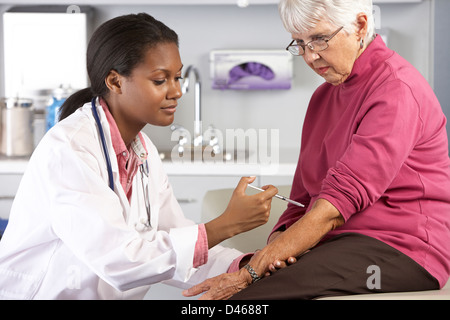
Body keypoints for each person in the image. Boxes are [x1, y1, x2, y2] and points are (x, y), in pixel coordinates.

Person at [183, 0, 450, 300]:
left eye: (320, 39)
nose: (310, 56)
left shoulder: (396, 89)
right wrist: (280, 244)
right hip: (336, 244)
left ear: (360, 26)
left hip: (401, 248)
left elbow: (334, 208)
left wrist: (251, 274)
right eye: (300, 43)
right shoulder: (322, 98)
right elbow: (301, 198)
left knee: (247, 295)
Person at [0, 13, 278, 299]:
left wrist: (246, 265)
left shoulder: (141, 150)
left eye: (178, 77)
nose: (177, 91)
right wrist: (227, 223)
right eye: (160, 80)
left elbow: (174, 241)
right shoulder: (70, 148)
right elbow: (120, 260)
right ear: (116, 82)